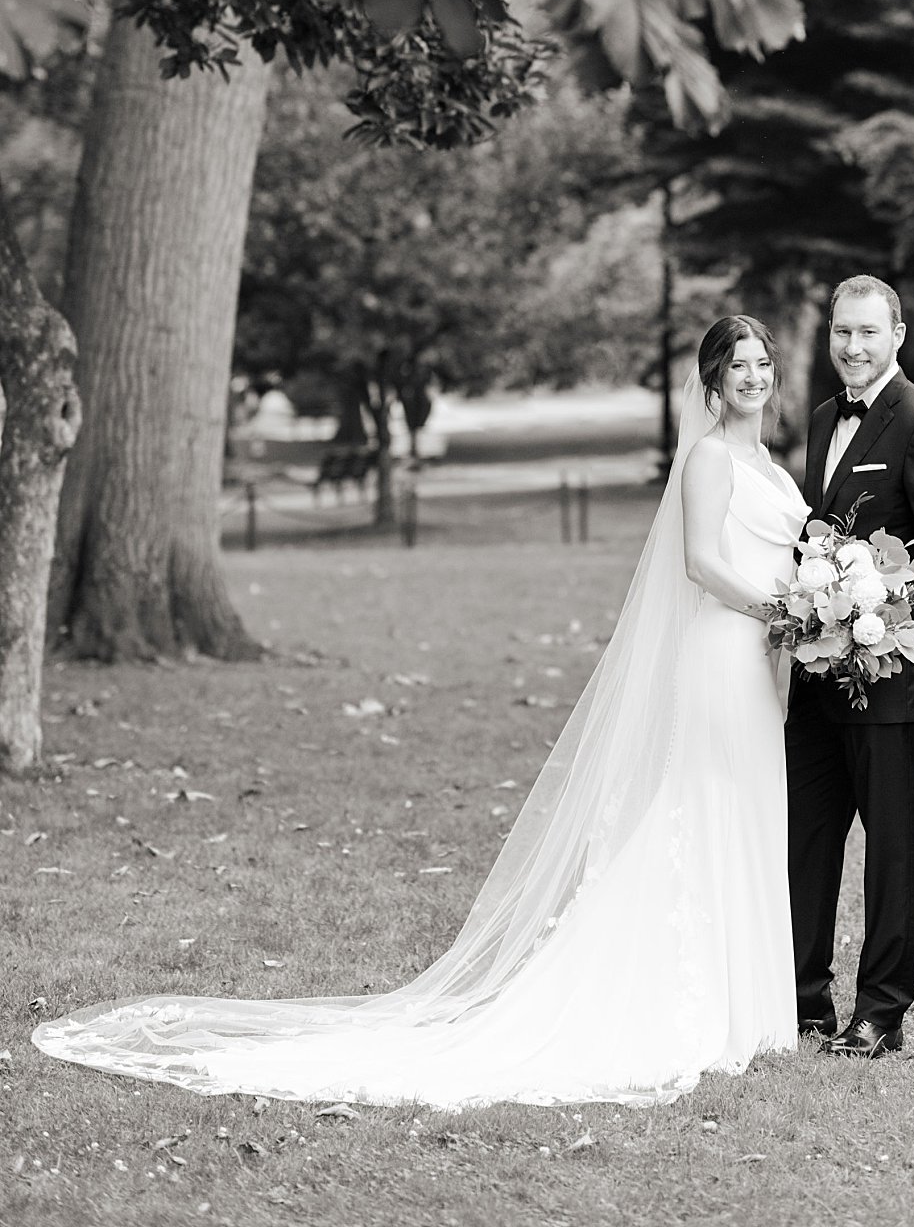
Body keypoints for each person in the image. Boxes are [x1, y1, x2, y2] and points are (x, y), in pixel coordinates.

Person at [34, 317, 808, 1112]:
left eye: (760, 363)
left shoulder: (767, 463)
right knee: (703, 808)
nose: (751, 376)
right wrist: (787, 608)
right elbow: (701, 562)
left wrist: (802, 610)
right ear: (711, 383)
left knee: (744, 809)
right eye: (736, 365)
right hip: (722, 652)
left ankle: (743, 1005)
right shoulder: (711, 458)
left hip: (758, 659)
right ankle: (691, 1002)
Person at [787, 274, 914, 1058]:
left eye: (868, 332)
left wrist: (877, 621)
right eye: (841, 332)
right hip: (815, 674)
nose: (853, 347)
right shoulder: (821, 419)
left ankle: (881, 1013)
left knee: (894, 847)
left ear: (897, 335)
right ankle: (803, 1001)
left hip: (891, 677)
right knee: (805, 837)